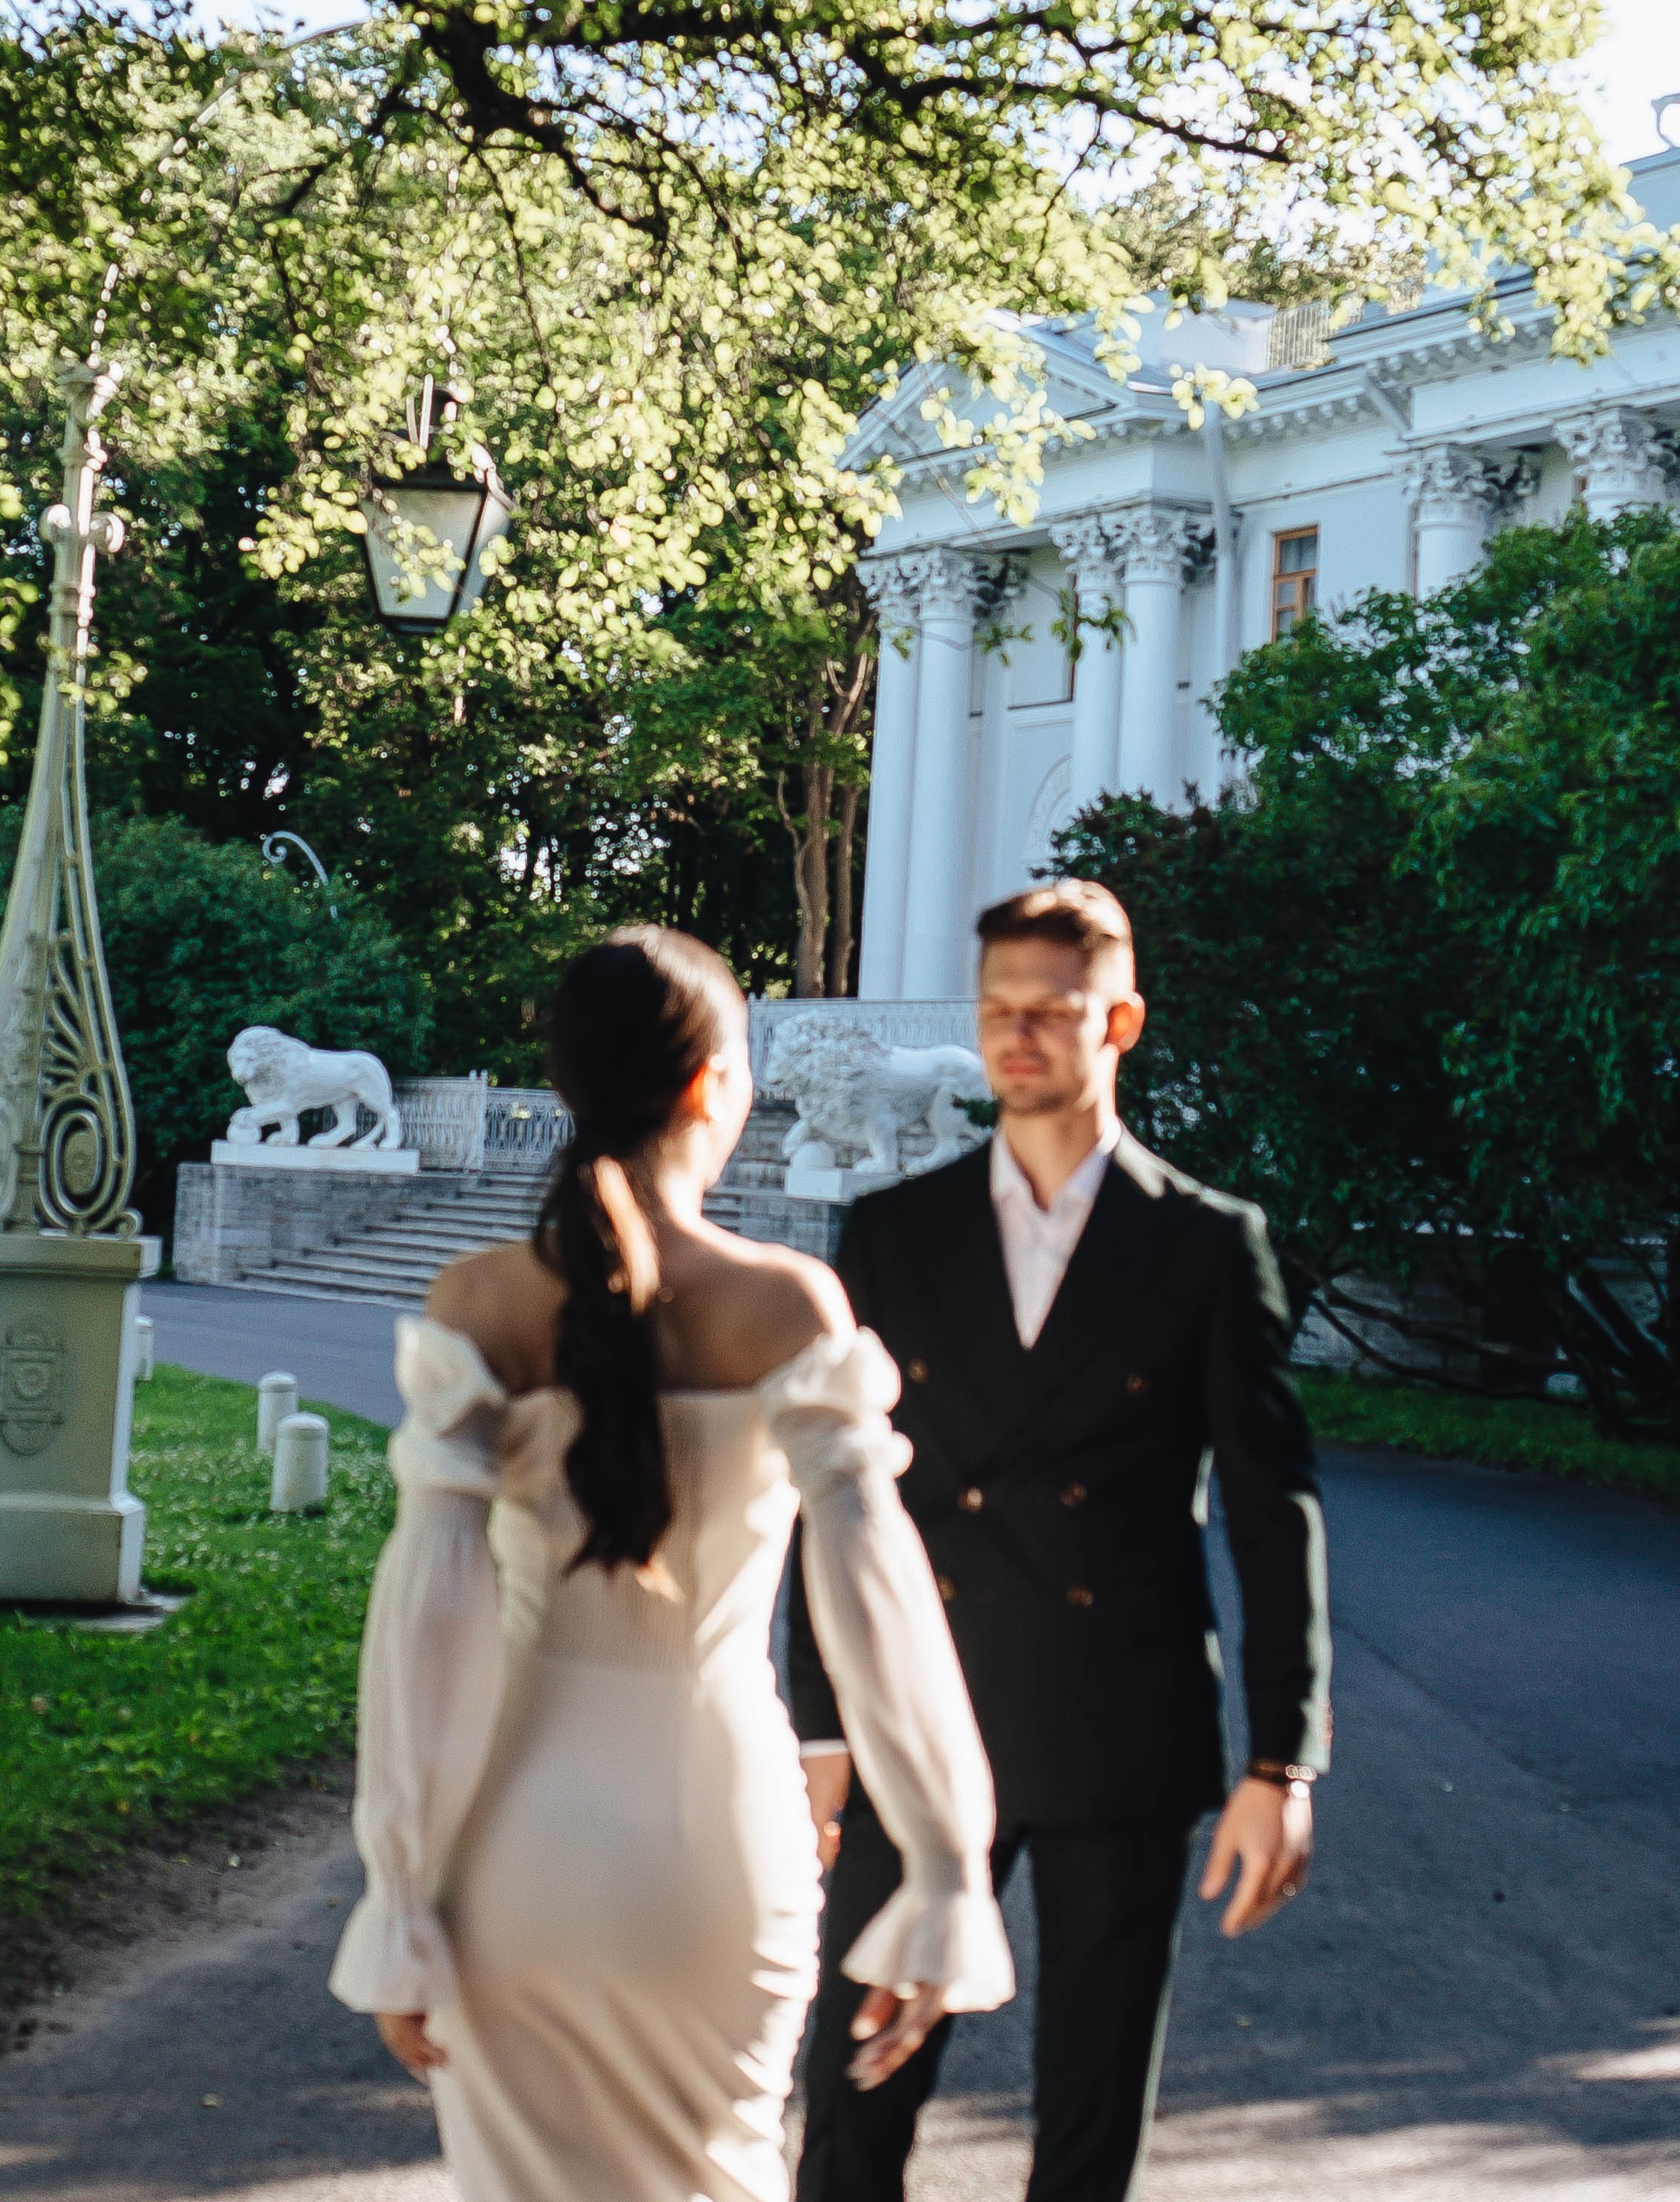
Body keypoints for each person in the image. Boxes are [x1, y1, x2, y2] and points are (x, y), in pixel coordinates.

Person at [329, 925, 1015, 2202]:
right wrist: (943, 1864)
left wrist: (401, 1895)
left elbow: (422, 1624)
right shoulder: (789, 1306)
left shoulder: (476, 1303)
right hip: (718, 1842)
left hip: (512, 1844)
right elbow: (880, 1602)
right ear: (714, 1085)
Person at [790, 879, 1332, 2202]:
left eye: (1053, 1011)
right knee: (856, 2085)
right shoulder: (892, 1233)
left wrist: (1282, 1759)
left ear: (1122, 1021)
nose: (1018, 1037)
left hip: (1120, 1721)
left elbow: (1274, 1513)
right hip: (920, 1707)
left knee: (1092, 2110)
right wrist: (822, 1726)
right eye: (997, 1012)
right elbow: (840, 1499)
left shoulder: (1210, 1246)